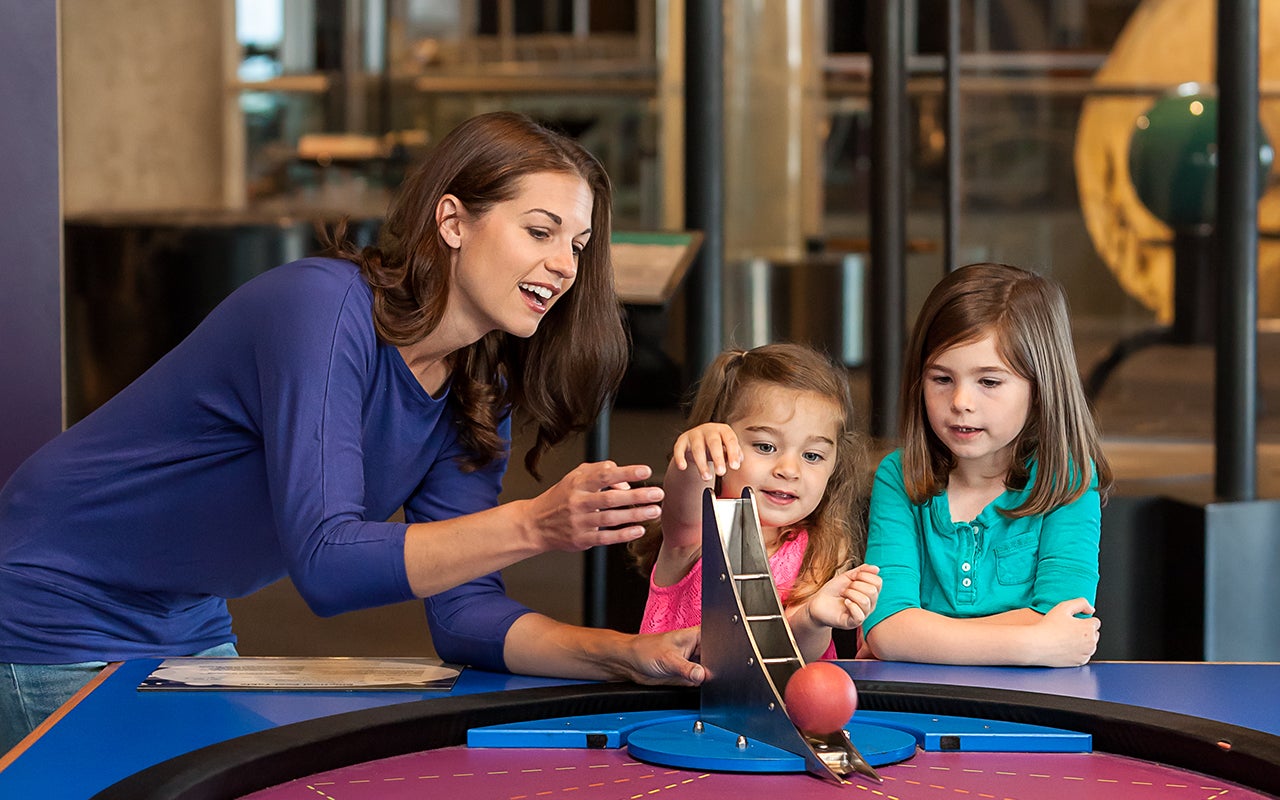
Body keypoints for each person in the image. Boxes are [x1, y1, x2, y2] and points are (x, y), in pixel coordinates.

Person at [0, 111, 703, 753]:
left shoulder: (478, 383)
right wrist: (535, 525)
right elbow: (327, 561)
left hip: (183, 620)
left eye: (577, 245)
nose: (564, 266)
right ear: (452, 221)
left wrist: (621, 653)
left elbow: (464, 612)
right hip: (54, 604)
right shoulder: (322, 307)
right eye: (541, 231)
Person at [862, 262, 1113, 667]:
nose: (961, 402)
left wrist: (920, 634)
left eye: (990, 382)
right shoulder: (898, 477)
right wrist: (1034, 644)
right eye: (941, 379)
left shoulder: (1069, 481)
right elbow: (888, 628)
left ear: (1041, 385)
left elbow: (1068, 619)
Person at [629, 344, 882, 662]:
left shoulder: (821, 546)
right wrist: (697, 456)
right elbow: (684, 508)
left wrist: (814, 619)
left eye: (812, 456)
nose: (789, 470)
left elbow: (792, 660)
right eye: (765, 446)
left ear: (835, 467)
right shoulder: (699, 531)